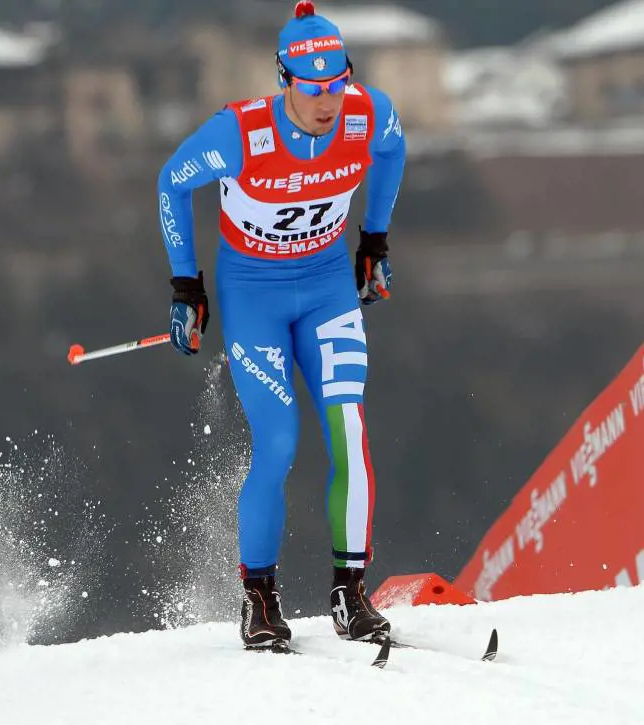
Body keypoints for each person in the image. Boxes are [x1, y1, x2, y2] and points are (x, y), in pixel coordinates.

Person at [157, 0, 406, 649]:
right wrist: (187, 282)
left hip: (326, 289)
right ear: (284, 80)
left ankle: (349, 594)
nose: (327, 103)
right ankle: (259, 597)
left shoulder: (367, 112)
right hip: (254, 298)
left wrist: (373, 240)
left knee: (349, 430)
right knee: (279, 443)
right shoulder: (238, 133)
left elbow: (394, 150)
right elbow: (170, 182)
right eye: (312, 89)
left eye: (336, 86)